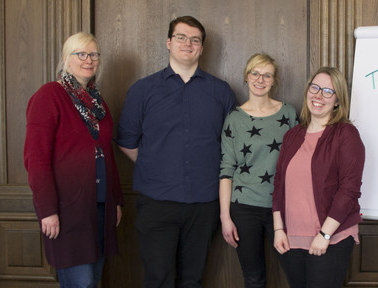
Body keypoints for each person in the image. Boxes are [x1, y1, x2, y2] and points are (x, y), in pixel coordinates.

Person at [116, 16, 236, 288]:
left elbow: (232, 147)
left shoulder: (221, 92)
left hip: (204, 202)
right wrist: (155, 165)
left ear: (202, 48)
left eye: (195, 40)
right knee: (158, 279)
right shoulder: (143, 90)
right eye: (181, 37)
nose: (188, 43)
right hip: (156, 201)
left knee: (193, 279)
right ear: (169, 43)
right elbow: (126, 140)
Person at [24, 32, 124, 287]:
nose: (88, 60)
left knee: (94, 282)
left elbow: (106, 154)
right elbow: (36, 159)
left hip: (99, 208)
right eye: (81, 54)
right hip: (68, 210)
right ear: (65, 59)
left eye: (93, 54)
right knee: (81, 284)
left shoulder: (97, 102)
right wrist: (47, 210)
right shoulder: (49, 95)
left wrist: (115, 201)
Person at [272, 67, 365, 288]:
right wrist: (278, 230)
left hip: (330, 239)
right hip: (291, 240)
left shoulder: (346, 134)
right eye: (315, 88)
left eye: (327, 91)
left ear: (337, 101)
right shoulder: (292, 135)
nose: (318, 95)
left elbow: (349, 191)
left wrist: (324, 235)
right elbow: (278, 185)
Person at [219, 53, 297, 288]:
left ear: (275, 81)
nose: (260, 79)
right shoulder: (234, 118)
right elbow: (226, 169)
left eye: (267, 75)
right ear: (246, 76)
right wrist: (225, 217)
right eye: (255, 73)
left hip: (284, 207)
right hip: (244, 207)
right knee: (253, 279)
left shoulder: (289, 114)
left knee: (296, 274)